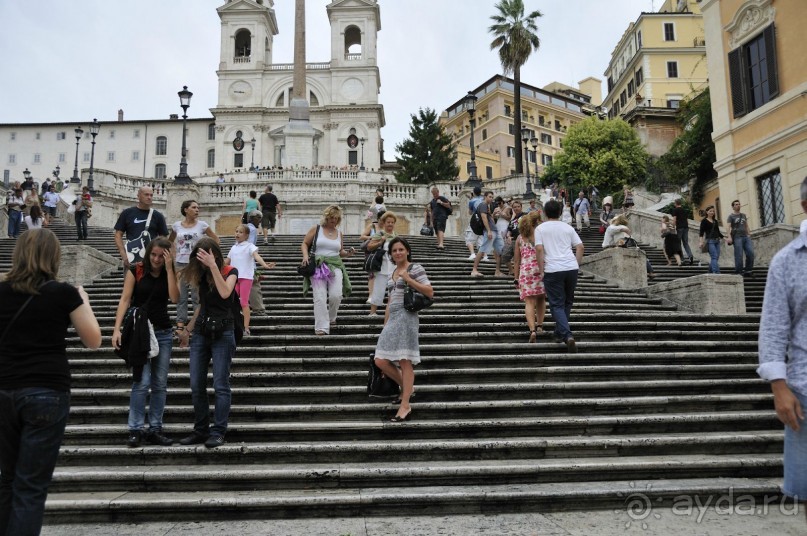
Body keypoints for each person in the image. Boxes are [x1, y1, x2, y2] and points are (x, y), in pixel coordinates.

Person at [0, 229, 101, 535]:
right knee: (31, 485)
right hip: (46, 389)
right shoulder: (63, 293)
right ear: (54, 257)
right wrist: (83, 299)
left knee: (6, 479)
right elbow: (93, 340)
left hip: (3, 389)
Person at [757, 176, 807, 521]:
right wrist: (779, 387)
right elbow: (774, 328)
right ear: (804, 206)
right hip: (804, 394)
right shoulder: (787, 261)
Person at [111, 237, 178, 448]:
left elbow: (175, 298)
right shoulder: (136, 270)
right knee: (141, 381)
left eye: (161, 256)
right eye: (154, 255)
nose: (157, 259)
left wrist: (169, 268)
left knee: (159, 383)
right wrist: (116, 328)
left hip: (163, 332)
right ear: (148, 253)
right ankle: (135, 428)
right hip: (140, 332)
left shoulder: (170, 271)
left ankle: (155, 428)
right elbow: (124, 298)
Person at [177, 238, 239, 449]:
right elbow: (202, 306)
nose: (202, 262)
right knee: (196, 385)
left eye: (206, 257)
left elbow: (224, 293)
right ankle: (201, 429)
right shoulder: (203, 275)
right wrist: (188, 329)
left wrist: (214, 267)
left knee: (221, 385)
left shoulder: (230, 270)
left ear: (215, 254)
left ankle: (219, 431)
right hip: (202, 333)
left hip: (223, 333)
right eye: (200, 258)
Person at [372, 237, 433, 422]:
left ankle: (405, 404)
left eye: (401, 249)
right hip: (393, 318)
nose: (398, 253)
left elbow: (429, 291)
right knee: (380, 360)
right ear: (390, 254)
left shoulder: (415, 268)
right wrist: (385, 325)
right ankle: (408, 389)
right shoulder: (393, 272)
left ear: (407, 251)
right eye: (394, 250)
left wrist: (408, 279)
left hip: (407, 317)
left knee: (405, 361)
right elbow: (390, 301)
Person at [535, 199, 584, 353]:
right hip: (571, 267)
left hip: (553, 269)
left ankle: (567, 334)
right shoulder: (568, 227)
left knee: (556, 304)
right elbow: (580, 246)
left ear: (544, 212)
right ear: (560, 212)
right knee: (567, 301)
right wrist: (576, 264)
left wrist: (541, 269)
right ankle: (559, 332)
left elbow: (539, 250)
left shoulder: (540, 229)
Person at [300, 205, 355, 335]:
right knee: (319, 296)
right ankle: (321, 327)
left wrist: (348, 253)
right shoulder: (316, 229)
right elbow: (304, 243)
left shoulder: (339, 233)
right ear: (326, 217)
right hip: (319, 266)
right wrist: (305, 256)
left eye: (336, 218)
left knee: (336, 295)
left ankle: (331, 318)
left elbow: (340, 251)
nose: (333, 221)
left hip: (335, 265)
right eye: (331, 218)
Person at [168, 199, 220, 334]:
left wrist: (211, 255)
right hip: (180, 264)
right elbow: (169, 241)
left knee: (197, 295)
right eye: (194, 207)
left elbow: (215, 239)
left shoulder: (202, 225)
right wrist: (173, 254)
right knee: (182, 296)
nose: (197, 210)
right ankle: (180, 323)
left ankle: (199, 322)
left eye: (198, 207)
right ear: (186, 209)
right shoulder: (176, 226)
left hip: (197, 264)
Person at [226, 224, 275, 337]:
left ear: (247, 235)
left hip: (246, 278)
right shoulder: (233, 248)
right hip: (234, 278)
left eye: (240, 232)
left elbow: (256, 256)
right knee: (231, 302)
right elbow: (227, 262)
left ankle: (246, 327)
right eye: (236, 231)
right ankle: (233, 325)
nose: (237, 234)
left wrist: (265, 265)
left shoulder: (249, 246)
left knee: (243, 302)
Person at [114, 186, 168, 269]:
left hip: (152, 259)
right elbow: (118, 235)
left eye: (151, 195)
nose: (149, 197)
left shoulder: (158, 216)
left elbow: (164, 238)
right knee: (130, 282)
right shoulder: (127, 213)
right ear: (138, 196)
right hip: (132, 257)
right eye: (146, 195)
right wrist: (123, 254)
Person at [513, 211, 546, 343]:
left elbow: (516, 260)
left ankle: (532, 330)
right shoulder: (540, 236)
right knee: (541, 300)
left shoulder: (520, 238)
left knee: (529, 302)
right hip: (540, 270)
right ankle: (539, 326)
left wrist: (515, 277)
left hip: (526, 273)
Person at [602, 214, 657, 280]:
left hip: (616, 246)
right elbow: (623, 230)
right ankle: (649, 272)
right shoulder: (612, 227)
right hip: (609, 247)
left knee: (639, 255)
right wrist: (626, 231)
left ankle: (648, 272)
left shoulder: (618, 228)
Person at [367, 211, 397, 316]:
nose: (390, 224)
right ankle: (372, 312)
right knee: (378, 289)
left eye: (392, 222)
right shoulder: (379, 234)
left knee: (394, 291)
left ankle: (392, 313)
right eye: (388, 222)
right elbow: (369, 246)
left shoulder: (396, 236)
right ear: (384, 223)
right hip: (382, 266)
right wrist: (380, 242)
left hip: (394, 268)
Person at [470, 192, 505, 278]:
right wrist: (488, 230)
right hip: (490, 231)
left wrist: (492, 214)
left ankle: (497, 271)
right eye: (489, 197)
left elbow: (489, 218)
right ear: (485, 197)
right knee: (482, 249)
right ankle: (474, 270)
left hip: (495, 230)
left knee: (501, 250)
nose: (491, 198)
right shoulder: (483, 205)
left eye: (492, 197)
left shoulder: (487, 206)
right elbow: (484, 218)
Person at [727, 200, 755, 277]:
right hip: (737, 237)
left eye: (739, 204)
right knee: (739, 255)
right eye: (736, 204)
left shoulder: (743, 215)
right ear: (733, 207)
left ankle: (748, 270)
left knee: (750, 253)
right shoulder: (731, 216)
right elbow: (728, 227)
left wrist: (749, 234)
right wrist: (729, 236)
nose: (738, 205)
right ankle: (739, 271)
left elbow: (746, 226)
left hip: (746, 237)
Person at [360, 215, 383, 300]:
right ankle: (371, 295)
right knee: (372, 274)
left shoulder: (387, 227)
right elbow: (362, 236)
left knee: (381, 275)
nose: (382, 221)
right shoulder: (372, 226)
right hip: (372, 253)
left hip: (382, 253)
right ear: (378, 219)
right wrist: (372, 237)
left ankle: (378, 295)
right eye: (381, 219)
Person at [698, 205, 724, 274]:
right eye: (710, 211)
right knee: (714, 257)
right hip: (710, 241)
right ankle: (716, 272)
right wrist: (700, 242)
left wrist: (725, 238)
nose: (712, 212)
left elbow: (718, 232)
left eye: (713, 211)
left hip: (717, 241)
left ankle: (710, 271)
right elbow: (701, 232)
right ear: (707, 212)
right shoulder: (704, 221)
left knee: (716, 257)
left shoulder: (715, 221)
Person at [464, 186, 485, 260]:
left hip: (475, 219)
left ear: (473, 192)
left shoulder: (472, 201)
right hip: (483, 221)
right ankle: (485, 256)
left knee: (469, 236)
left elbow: (470, 212)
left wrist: (471, 200)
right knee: (481, 238)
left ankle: (473, 254)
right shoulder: (483, 199)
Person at [671, 198, 694, 265]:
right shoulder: (684, 210)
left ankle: (682, 259)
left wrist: (673, 226)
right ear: (680, 203)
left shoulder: (675, 210)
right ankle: (690, 256)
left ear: (675, 203)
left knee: (678, 244)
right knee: (686, 243)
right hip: (686, 227)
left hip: (679, 228)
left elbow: (674, 220)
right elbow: (687, 220)